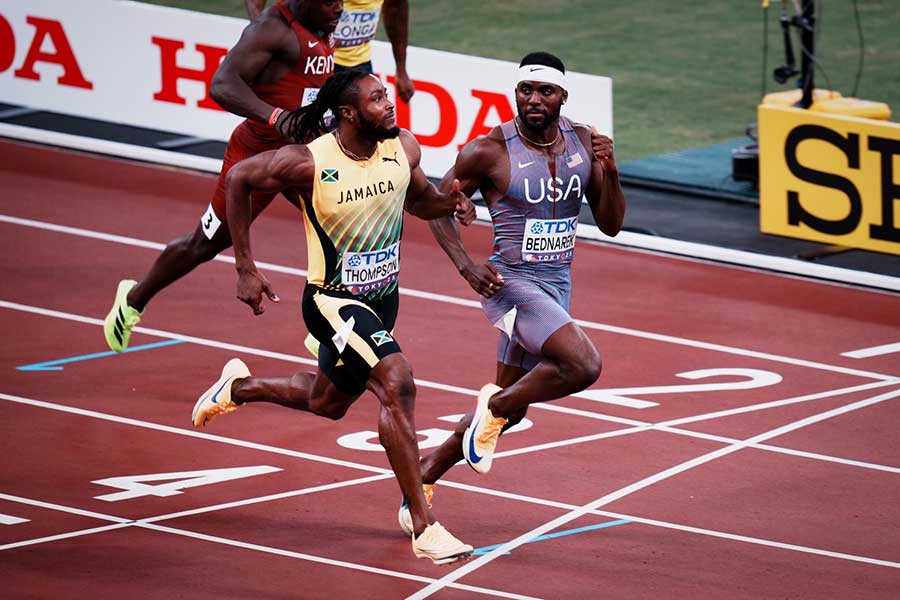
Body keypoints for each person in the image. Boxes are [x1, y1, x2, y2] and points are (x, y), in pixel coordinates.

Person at [190, 69, 476, 564]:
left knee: (328, 402)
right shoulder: (308, 161)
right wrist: (245, 267)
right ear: (348, 113)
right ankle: (422, 523)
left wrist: (450, 202)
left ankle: (239, 388)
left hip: (383, 300)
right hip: (332, 302)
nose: (389, 105)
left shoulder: (402, 148)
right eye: (377, 99)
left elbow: (419, 201)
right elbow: (238, 179)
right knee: (397, 383)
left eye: (387, 95)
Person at [397, 51, 626, 534]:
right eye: (526, 90)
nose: (534, 100)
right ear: (516, 93)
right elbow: (433, 204)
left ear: (563, 95)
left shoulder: (584, 142)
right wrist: (466, 266)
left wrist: (611, 169)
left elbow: (610, 224)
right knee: (583, 365)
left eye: (545, 91)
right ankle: (493, 410)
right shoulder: (488, 150)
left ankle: (424, 474)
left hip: (556, 284)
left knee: (515, 405)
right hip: (510, 284)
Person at [103, 0, 342, 352]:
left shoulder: (323, 26)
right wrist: (276, 116)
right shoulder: (273, 29)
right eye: (331, 1)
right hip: (256, 155)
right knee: (205, 244)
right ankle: (132, 300)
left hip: (303, 154)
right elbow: (222, 84)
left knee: (344, 221)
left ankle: (329, 327)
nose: (340, 8)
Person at [246, 0, 414, 102]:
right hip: (309, 62)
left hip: (358, 63)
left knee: (365, 136)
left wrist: (401, 69)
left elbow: (396, 9)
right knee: (306, 134)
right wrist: (263, 39)